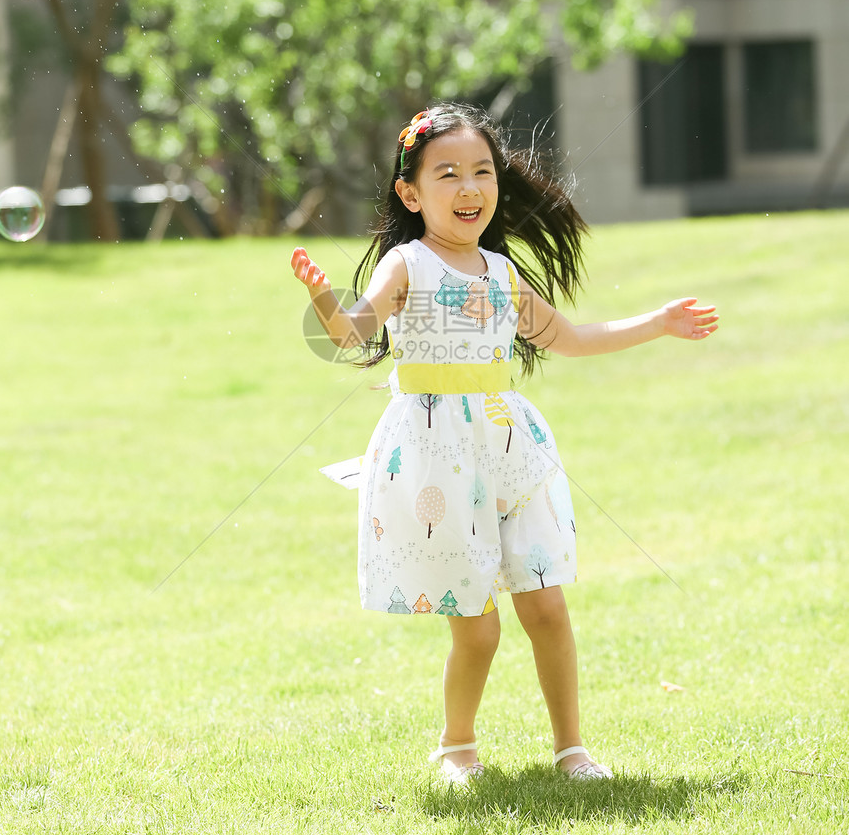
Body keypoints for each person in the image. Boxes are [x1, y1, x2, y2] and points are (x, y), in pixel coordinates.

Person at [291, 103, 718, 784]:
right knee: (478, 626)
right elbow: (351, 333)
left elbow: (573, 338)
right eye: (449, 174)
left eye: (483, 172)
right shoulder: (408, 265)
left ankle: (571, 749)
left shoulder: (501, 274)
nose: (470, 189)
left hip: (512, 447)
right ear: (411, 193)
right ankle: (456, 747)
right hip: (435, 453)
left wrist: (659, 322)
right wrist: (322, 298)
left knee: (546, 603)